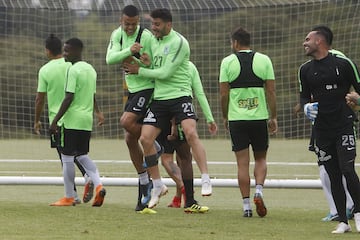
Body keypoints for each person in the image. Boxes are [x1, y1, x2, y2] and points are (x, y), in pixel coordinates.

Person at [124, 8, 210, 212]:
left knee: (189, 137)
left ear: (168, 25)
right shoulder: (153, 41)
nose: (152, 28)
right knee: (145, 139)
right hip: (160, 99)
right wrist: (141, 61)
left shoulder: (179, 42)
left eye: (157, 24)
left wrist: (140, 69)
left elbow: (165, 72)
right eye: (152, 24)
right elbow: (154, 66)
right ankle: (158, 184)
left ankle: (205, 179)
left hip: (180, 97)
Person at [299, 26, 360, 233]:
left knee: (347, 169)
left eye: (308, 39)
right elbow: (304, 97)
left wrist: (358, 100)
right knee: (333, 174)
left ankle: (359, 214)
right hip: (322, 131)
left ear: (320, 41)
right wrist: (307, 107)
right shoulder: (305, 70)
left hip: (343, 125)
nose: (304, 42)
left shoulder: (343, 64)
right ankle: (343, 221)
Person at [106, 5, 159, 213]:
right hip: (132, 90)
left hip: (148, 88)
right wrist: (129, 51)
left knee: (126, 122)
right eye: (126, 23)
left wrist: (142, 62)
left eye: (133, 24)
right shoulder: (117, 35)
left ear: (138, 21)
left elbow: (155, 67)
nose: (129, 28)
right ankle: (144, 182)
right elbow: (110, 59)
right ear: (121, 20)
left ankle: (156, 149)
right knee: (129, 138)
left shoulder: (145, 36)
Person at [219, 27, 277, 218]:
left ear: (235, 43)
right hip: (259, 118)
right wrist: (273, 116)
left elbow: (224, 94)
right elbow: (271, 92)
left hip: (237, 120)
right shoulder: (264, 60)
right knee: (261, 159)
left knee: (242, 165)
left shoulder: (227, 62)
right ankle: (258, 191)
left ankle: (246, 206)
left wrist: (225, 116)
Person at [34, 34, 94, 204]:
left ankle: (74, 192)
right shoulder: (71, 65)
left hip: (58, 118)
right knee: (76, 153)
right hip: (78, 117)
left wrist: (37, 120)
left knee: (65, 155)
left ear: (47, 51)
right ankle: (85, 179)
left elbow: (40, 98)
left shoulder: (45, 70)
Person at [49, 37, 106, 207]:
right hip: (86, 121)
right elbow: (91, 95)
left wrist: (55, 121)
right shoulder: (91, 70)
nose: (64, 54)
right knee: (82, 155)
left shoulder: (72, 70)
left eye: (67, 51)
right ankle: (99, 185)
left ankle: (69, 197)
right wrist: (97, 112)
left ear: (77, 51)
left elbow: (69, 97)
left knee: (67, 158)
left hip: (72, 120)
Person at [163, 61, 217, 207]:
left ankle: (183, 189)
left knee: (168, 158)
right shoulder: (189, 65)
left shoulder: (163, 63)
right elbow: (199, 92)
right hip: (184, 113)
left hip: (166, 115)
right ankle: (180, 197)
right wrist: (209, 118)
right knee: (184, 158)